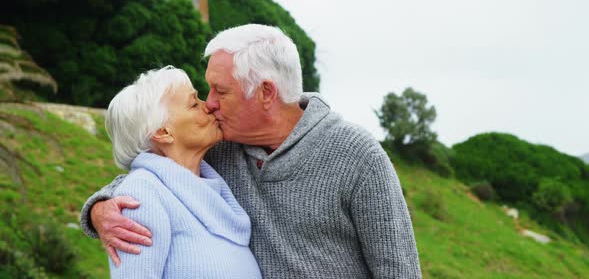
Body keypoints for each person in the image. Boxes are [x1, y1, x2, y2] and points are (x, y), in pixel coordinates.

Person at [81, 24, 422, 278]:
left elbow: (398, 270)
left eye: (220, 91)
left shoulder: (357, 155)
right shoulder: (221, 146)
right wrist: (100, 209)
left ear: (266, 93)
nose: (209, 104)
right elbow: (155, 170)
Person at [100, 66, 261, 278]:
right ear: (163, 132)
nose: (209, 106)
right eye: (194, 104)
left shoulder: (216, 188)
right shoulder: (141, 196)